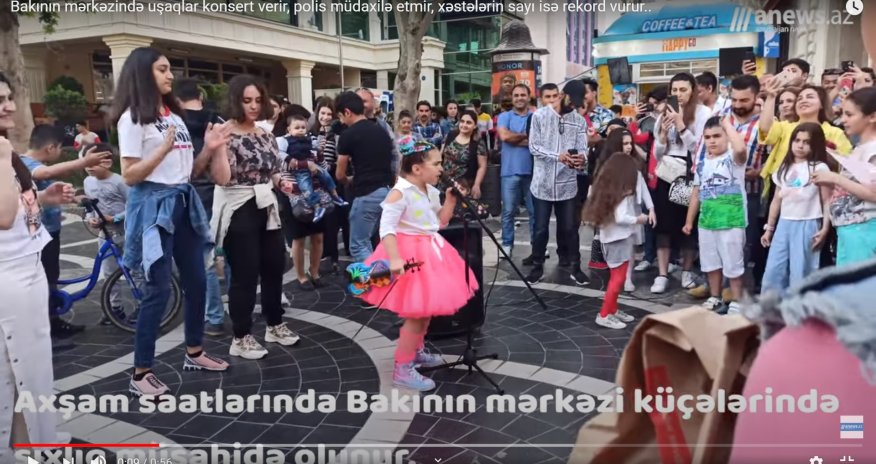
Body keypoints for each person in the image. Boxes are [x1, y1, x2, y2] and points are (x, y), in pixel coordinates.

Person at [113, 47, 231, 396]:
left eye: (169, 70)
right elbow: (130, 175)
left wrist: (208, 149)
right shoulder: (133, 118)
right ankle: (140, 372)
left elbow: (189, 173)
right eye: (162, 69)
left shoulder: (174, 117)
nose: (169, 76)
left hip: (183, 202)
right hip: (153, 211)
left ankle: (194, 351)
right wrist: (161, 151)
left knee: (197, 282)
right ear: (142, 73)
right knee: (159, 289)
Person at [356, 136, 476, 391]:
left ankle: (416, 350)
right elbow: (386, 228)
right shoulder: (399, 193)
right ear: (417, 168)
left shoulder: (430, 191)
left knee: (425, 311)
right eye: (436, 163)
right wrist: (395, 257)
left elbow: (439, 223)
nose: (441, 168)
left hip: (432, 252)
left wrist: (451, 201)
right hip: (409, 257)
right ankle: (403, 367)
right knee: (416, 314)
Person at [0, 71, 74, 460]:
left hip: (27, 267)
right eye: (0, 101)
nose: (9, 106)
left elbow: (15, 208)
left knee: (29, 369)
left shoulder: (7, 151)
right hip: (6, 277)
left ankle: (30, 444)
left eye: (9, 97)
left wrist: (43, 198)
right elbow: (2, 215)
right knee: (11, 371)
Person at [210, 74, 301, 360]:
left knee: (275, 266)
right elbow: (223, 178)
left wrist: (282, 182)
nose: (252, 106)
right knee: (245, 275)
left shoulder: (264, 133)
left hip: (265, 203)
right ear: (236, 100)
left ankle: (274, 324)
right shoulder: (225, 132)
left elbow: (272, 170)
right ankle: (241, 336)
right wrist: (218, 148)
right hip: (238, 205)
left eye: (257, 100)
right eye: (247, 100)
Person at [21, 124, 111, 340]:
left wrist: (76, 196)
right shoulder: (25, 163)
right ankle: (46, 325)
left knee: (51, 277)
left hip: (50, 232)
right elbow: (46, 173)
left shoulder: (35, 163)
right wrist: (83, 162)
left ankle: (52, 321)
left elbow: (51, 187)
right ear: (51, 147)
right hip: (38, 235)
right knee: (44, 279)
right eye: (60, 148)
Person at [650, 72, 712, 294]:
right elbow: (657, 153)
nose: (678, 94)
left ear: (693, 90)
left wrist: (682, 126)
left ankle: (686, 271)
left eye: (683, 89)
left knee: (688, 226)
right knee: (664, 227)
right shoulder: (663, 115)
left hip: (690, 175)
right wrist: (663, 136)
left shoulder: (704, 113)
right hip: (667, 175)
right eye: (674, 90)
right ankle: (662, 273)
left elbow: (700, 149)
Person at [176, 77, 228, 336]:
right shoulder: (218, 122)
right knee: (229, 253)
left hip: (192, 197)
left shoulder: (174, 124)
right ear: (201, 95)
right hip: (224, 193)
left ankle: (215, 316)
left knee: (204, 259)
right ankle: (240, 304)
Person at [682, 116, 749, 314]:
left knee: (733, 263)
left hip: (731, 220)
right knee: (711, 262)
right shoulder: (702, 164)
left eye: (717, 136)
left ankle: (736, 299)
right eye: (708, 137)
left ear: (727, 136)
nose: (712, 141)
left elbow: (741, 149)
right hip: (707, 221)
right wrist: (689, 221)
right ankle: (715, 296)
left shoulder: (733, 159)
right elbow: (696, 193)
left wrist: (727, 124)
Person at [526, 80, 590, 285]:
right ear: (563, 95)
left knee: (570, 228)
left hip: (568, 183)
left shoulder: (579, 121)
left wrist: (582, 158)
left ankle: (575, 266)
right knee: (540, 228)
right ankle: (537, 266)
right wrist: (557, 156)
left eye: (579, 103)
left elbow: (583, 148)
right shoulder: (539, 116)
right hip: (542, 183)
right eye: (573, 101)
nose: (574, 106)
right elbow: (533, 147)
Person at [761, 123, 835, 293]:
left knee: (801, 271)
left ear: (815, 144)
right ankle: (771, 310)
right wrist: (769, 229)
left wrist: (824, 228)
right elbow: (776, 201)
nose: (800, 145)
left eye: (806, 142)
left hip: (807, 224)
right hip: (784, 224)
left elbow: (826, 201)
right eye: (797, 140)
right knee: (774, 269)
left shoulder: (819, 167)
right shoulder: (783, 167)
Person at [583, 153, 653, 329]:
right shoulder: (621, 194)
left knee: (616, 278)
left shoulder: (607, 192)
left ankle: (613, 309)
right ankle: (605, 313)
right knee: (617, 279)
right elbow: (622, 217)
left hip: (612, 239)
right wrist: (639, 219)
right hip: (618, 241)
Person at [813, 87, 876, 265]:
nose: (843, 120)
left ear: (872, 116)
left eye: (849, 114)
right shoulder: (859, 149)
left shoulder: (873, 149)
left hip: (864, 229)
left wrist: (835, 178)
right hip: (850, 229)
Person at [335, 91, 396, 263]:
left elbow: (340, 173)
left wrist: (347, 180)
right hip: (386, 192)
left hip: (366, 194)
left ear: (347, 112)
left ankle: (379, 282)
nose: (341, 121)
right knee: (374, 242)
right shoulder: (381, 130)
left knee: (358, 245)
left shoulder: (348, 135)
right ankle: (381, 280)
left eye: (340, 116)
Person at [81, 143, 132, 325]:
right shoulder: (88, 182)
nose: (88, 166)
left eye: (94, 162)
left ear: (108, 163)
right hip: (105, 234)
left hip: (126, 232)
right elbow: (89, 207)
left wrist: (116, 218)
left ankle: (145, 304)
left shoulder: (120, 181)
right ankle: (114, 308)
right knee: (109, 271)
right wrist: (90, 219)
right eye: (86, 161)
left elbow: (134, 205)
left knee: (136, 269)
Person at [279, 115, 346, 223]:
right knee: (306, 188)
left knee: (326, 176)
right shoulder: (285, 142)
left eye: (303, 127)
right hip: (297, 188)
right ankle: (317, 206)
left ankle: (335, 196)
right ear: (289, 129)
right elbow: (283, 165)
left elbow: (325, 166)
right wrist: (305, 164)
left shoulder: (310, 140)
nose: (301, 130)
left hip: (318, 186)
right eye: (297, 128)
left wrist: (320, 154)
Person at [497, 84, 535, 259]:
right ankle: (507, 244)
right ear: (512, 98)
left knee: (535, 211)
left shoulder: (536, 117)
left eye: (522, 95)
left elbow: (538, 142)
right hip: (509, 171)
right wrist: (527, 135)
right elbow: (504, 137)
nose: (519, 98)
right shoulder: (504, 116)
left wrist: (514, 137)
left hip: (532, 172)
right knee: (508, 211)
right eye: (516, 95)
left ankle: (538, 246)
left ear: (528, 97)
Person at [438, 110, 488, 198]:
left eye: (468, 123)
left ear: (475, 125)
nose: (464, 125)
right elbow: (440, 156)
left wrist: (477, 185)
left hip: (463, 187)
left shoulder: (477, 142)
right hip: (444, 182)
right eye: (462, 121)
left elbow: (482, 166)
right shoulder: (451, 135)